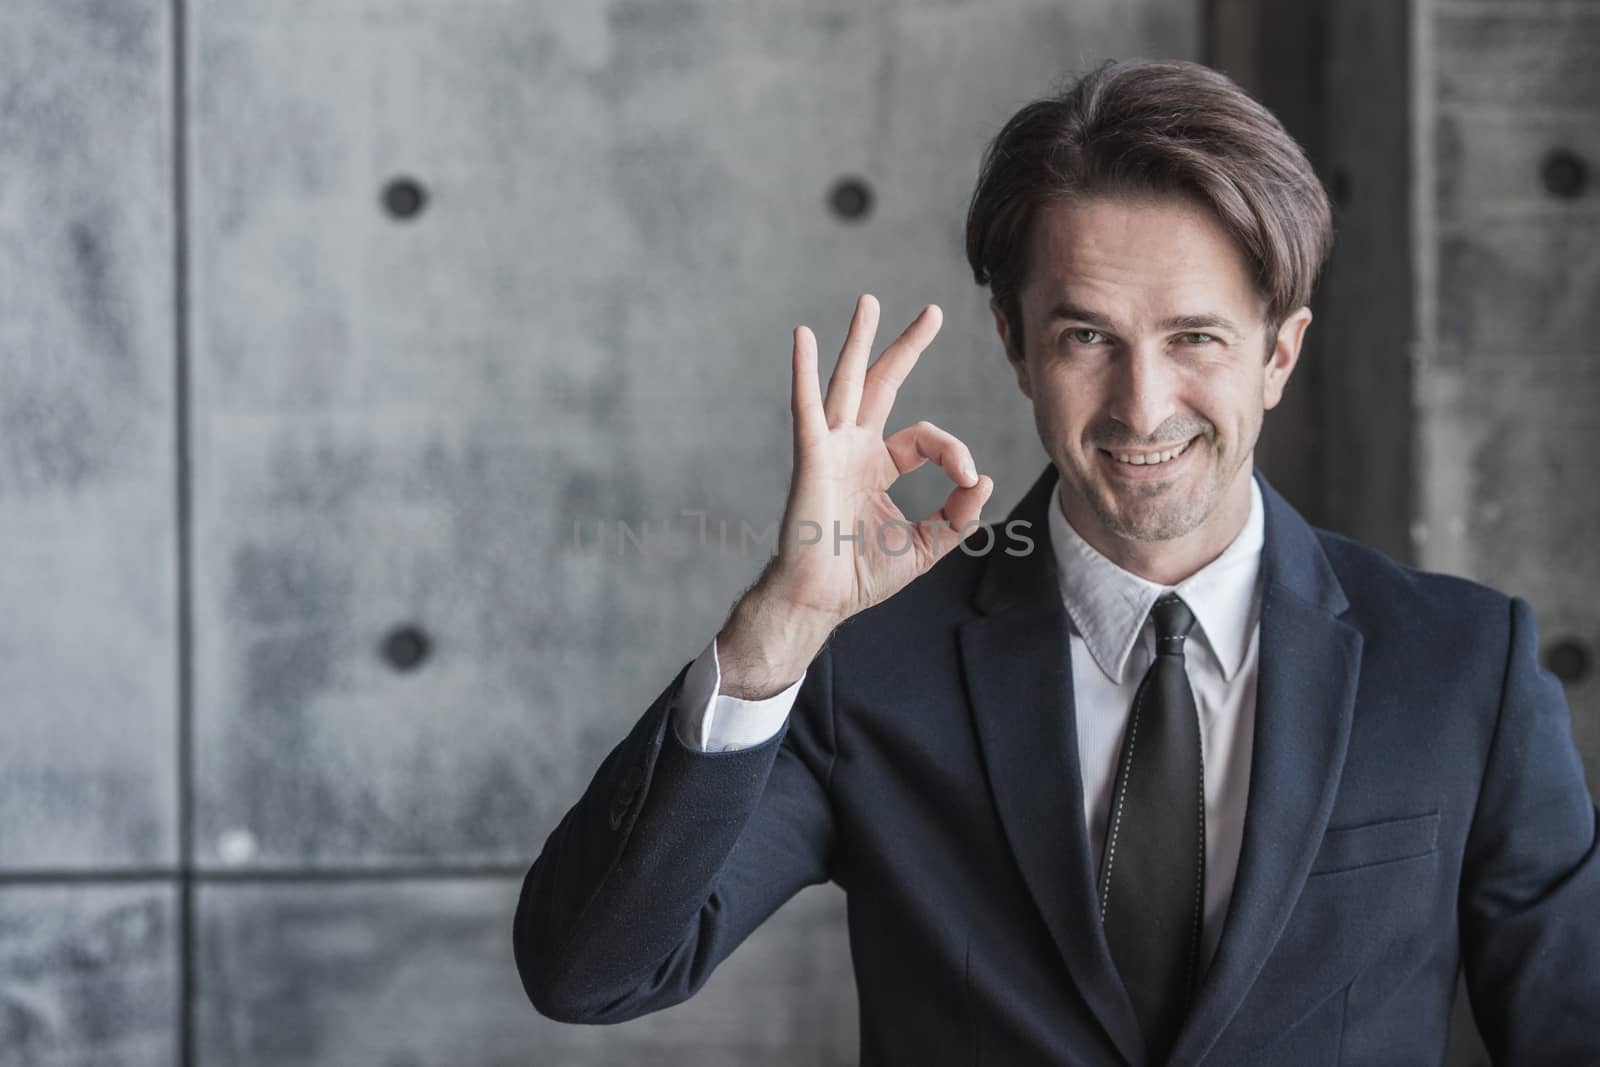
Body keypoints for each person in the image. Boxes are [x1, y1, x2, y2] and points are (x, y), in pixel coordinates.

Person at [513, 58, 1600, 1065]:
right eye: (1087, 337)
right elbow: (591, 974)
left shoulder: (1463, 666)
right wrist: (778, 624)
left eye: (1194, 338)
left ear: (1278, 352)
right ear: (1014, 344)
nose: (1141, 404)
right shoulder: (865, 665)